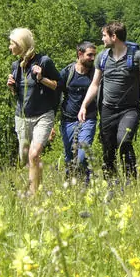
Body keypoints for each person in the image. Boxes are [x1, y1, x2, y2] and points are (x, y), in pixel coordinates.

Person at [78, 22, 140, 181]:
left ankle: (131, 181)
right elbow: (95, 84)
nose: (102, 39)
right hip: (107, 109)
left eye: (104, 35)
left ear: (114, 37)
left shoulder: (138, 57)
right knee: (108, 148)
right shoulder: (102, 57)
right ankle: (111, 183)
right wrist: (84, 106)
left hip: (129, 109)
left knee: (124, 141)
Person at [6, 27, 60, 195]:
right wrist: (12, 87)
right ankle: (37, 182)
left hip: (43, 115)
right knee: (25, 158)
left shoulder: (44, 61)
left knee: (34, 155)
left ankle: (34, 195)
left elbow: (57, 85)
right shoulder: (16, 66)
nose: (9, 47)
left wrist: (41, 78)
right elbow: (18, 94)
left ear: (21, 44)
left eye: (12, 43)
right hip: (22, 117)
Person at [54, 41, 98, 183]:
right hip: (68, 120)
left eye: (94, 55)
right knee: (69, 158)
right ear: (80, 54)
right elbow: (55, 95)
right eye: (89, 55)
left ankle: (86, 184)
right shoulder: (67, 72)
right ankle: (71, 186)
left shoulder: (95, 74)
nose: (92, 58)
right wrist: (51, 123)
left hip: (88, 119)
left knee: (82, 155)